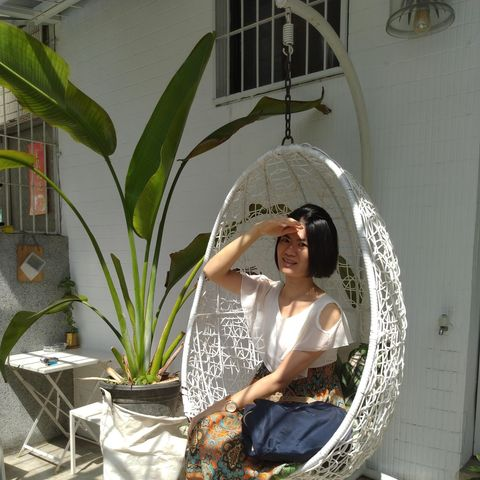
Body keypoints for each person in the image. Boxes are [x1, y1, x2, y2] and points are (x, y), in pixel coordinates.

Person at [185, 204, 352, 479]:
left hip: (309, 408)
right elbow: (213, 271)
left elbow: (281, 378)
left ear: (320, 251)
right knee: (206, 433)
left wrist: (225, 405)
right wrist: (258, 230)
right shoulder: (265, 290)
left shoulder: (326, 311)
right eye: (285, 240)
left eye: (302, 244)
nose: (290, 250)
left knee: (219, 440)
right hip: (265, 395)